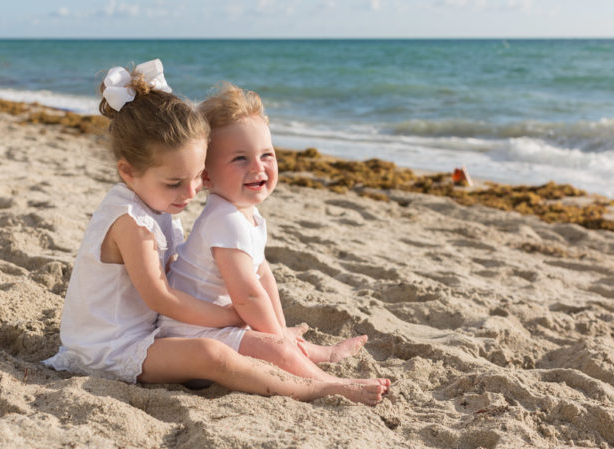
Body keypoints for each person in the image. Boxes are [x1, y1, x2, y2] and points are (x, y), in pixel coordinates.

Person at [42, 60, 387, 405]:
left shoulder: (158, 205)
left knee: (240, 338)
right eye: (176, 182)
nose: (192, 193)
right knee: (212, 355)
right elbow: (160, 297)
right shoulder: (131, 221)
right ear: (128, 172)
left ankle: (299, 353)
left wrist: (251, 323)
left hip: (149, 331)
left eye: (197, 177)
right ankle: (319, 387)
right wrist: (229, 316)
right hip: (109, 347)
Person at [157, 83, 390, 390]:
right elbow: (248, 296)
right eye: (240, 158)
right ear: (208, 176)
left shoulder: (247, 214)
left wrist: (278, 329)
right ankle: (331, 383)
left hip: (218, 325)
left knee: (278, 341)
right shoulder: (224, 220)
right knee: (276, 348)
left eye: (266, 154)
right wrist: (277, 339)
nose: (258, 167)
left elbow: (262, 273)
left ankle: (319, 353)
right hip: (189, 334)